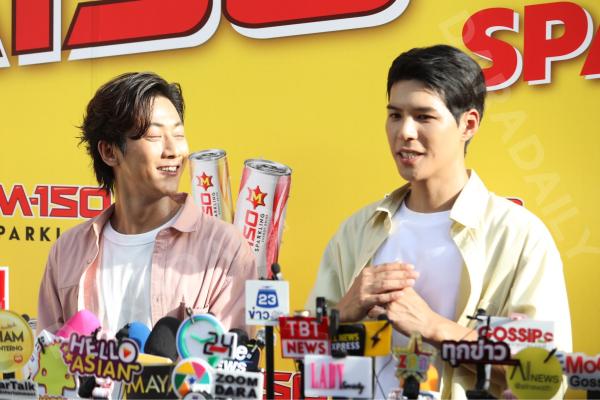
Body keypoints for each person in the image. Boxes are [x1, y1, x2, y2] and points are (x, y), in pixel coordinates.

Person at [307, 45, 571, 398]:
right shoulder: (357, 231)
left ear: (468, 124)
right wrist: (343, 312)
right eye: (395, 115)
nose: (405, 131)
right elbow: (305, 361)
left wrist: (435, 328)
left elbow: (546, 376)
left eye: (424, 116)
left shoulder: (518, 236)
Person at [37, 72, 256, 334]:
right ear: (109, 152)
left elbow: (232, 353)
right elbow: (48, 353)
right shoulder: (68, 250)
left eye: (178, 134)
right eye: (154, 136)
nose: (173, 151)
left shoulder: (224, 248)